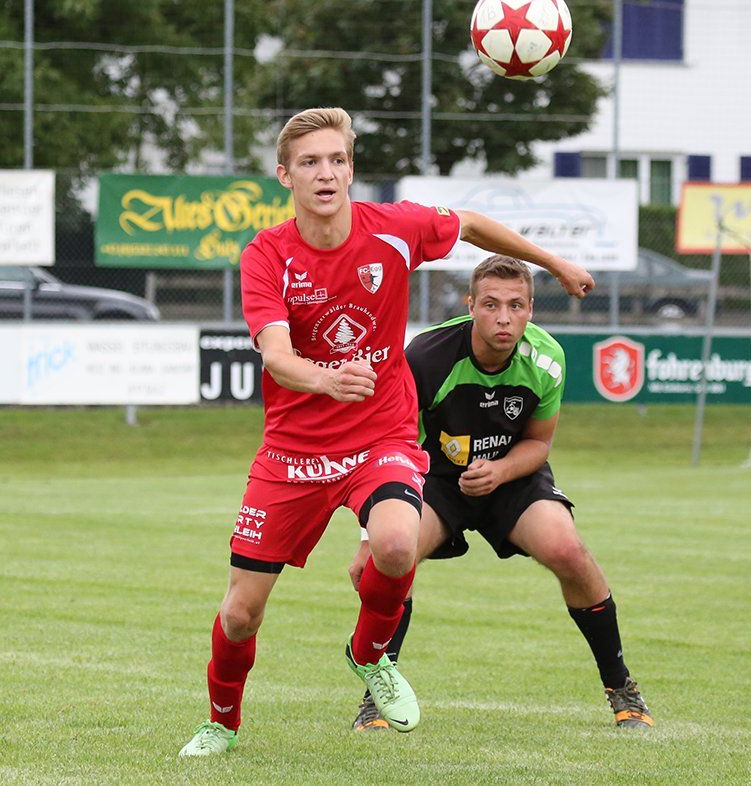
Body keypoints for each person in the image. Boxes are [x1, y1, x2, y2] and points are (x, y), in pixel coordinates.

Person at [179, 108, 595, 756]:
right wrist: (326, 378)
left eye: (337, 160)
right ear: (285, 175)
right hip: (293, 451)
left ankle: (371, 654)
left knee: (397, 545)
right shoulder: (267, 254)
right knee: (240, 613)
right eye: (310, 162)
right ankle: (221, 723)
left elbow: (471, 224)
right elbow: (277, 356)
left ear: (351, 169)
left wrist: (554, 262)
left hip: (382, 436)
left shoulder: (394, 229)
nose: (325, 173)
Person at [349, 255, 652, 732]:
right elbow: (389, 443)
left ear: (531, 309)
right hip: (434, 479)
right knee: (384, 562)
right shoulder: (426, 357)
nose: (504, 318)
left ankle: (622, 689)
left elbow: (539, 444)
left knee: (569, 551)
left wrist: (500, 470)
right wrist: (371, 536)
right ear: (470, 306)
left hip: (511, 476)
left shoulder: (546, 358)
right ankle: (378, 695)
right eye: (491, 305)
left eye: (516, 306)